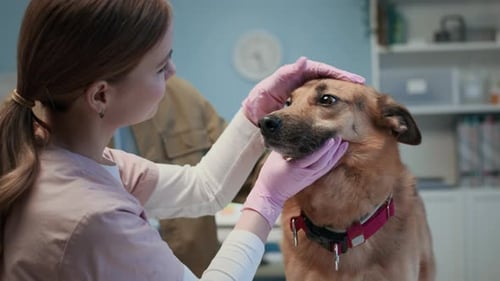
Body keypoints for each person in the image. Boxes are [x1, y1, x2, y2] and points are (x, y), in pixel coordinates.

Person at [0, 1, 365, 280]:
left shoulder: (63, 155)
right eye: (161, 67)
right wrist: (266, 200)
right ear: (100, 96)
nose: (173, 73)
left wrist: (255, 113)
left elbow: (202, 189)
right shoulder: (93, 218)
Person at [127, 75, 260, 276]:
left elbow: (207, 186)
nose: (170, 71)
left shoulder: (182, 96)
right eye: (160, 64)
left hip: (193, 266)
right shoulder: (79, 155)